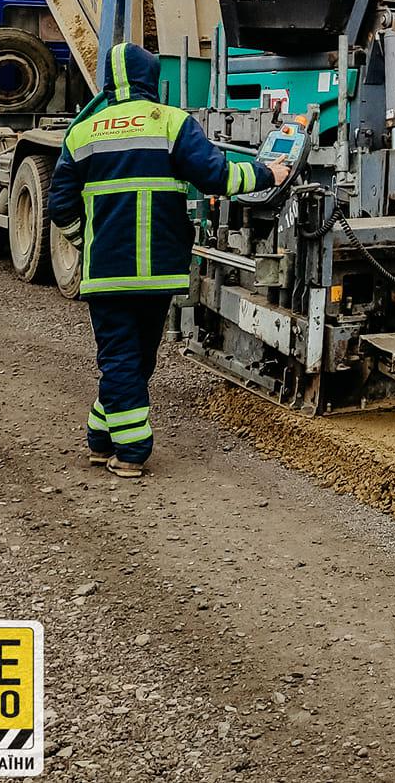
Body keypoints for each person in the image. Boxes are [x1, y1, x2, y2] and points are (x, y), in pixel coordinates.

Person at [47, 44, 289, 478]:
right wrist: (268, 173)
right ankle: (130, 450)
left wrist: (86, 241)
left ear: (109, 80)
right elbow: (218, 176)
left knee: (122, 359)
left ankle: (104, 441)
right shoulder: (171, 122)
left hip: (108, 274)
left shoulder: (82, 132)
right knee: (138, 359)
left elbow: (60, 204)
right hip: (160, 272)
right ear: (150, 79)